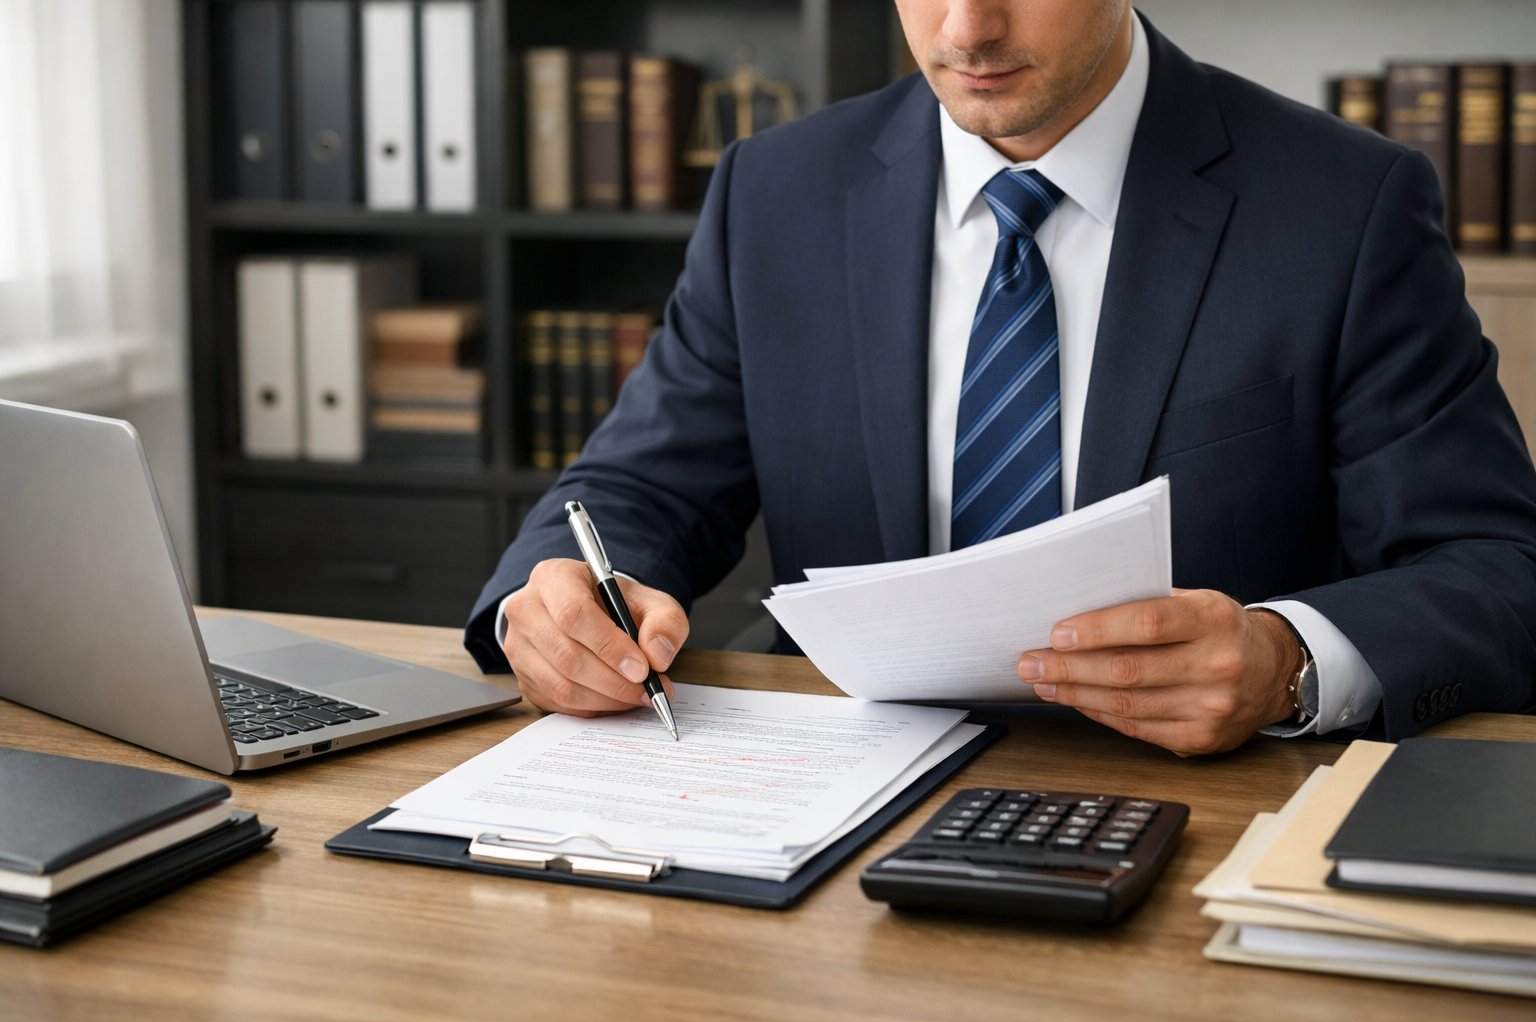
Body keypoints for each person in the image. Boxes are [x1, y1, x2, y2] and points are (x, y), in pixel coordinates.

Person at [465, 1, 1536, 755]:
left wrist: (1287, 660)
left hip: (1199, 816)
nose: (966, 29)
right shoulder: (775, 193)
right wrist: (547, 602)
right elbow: (640, 492)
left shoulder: (1345, 206)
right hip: (825, 802)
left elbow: (1496, 567)